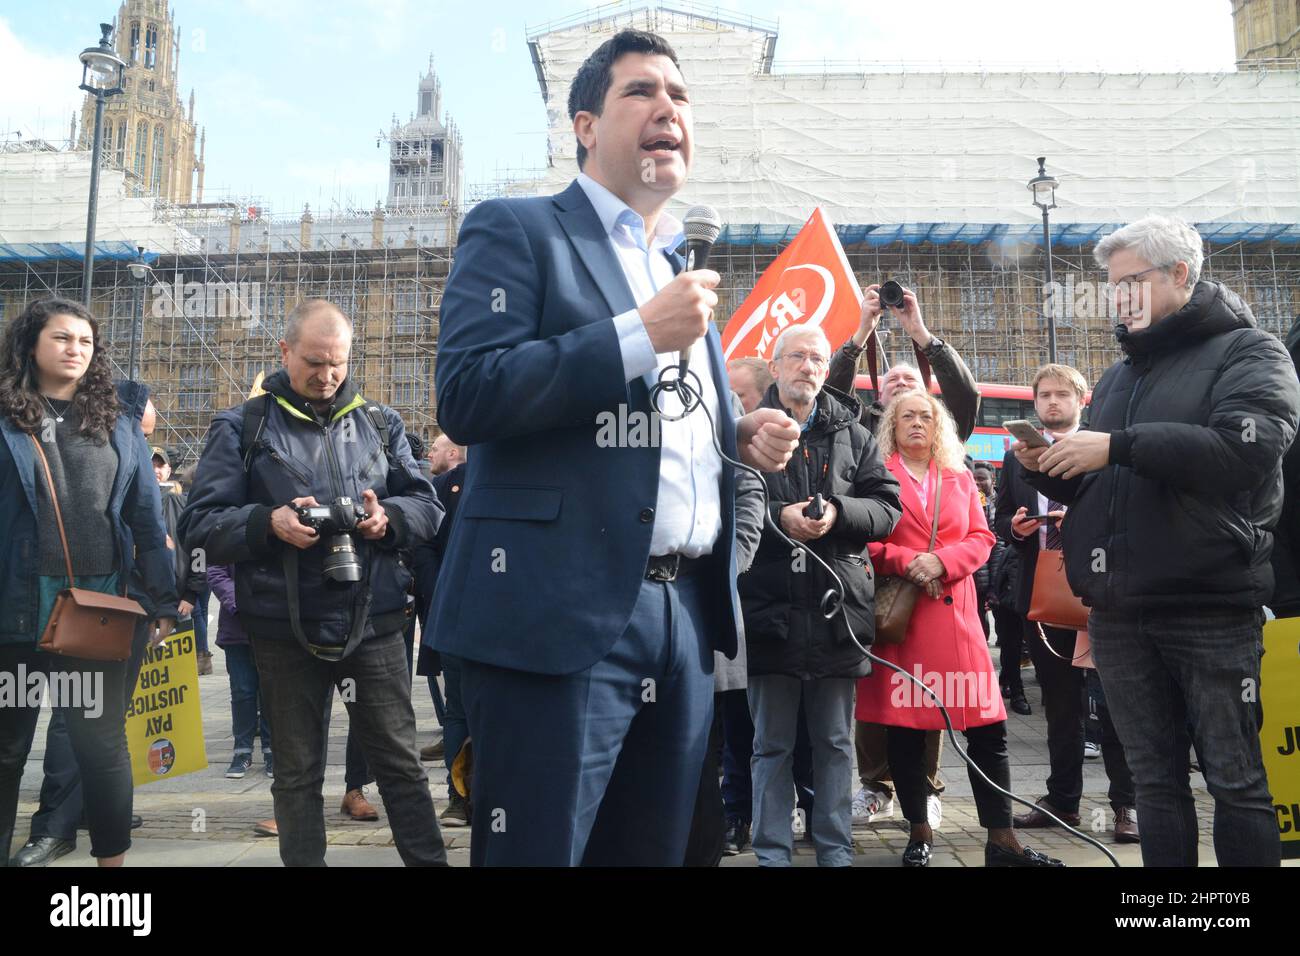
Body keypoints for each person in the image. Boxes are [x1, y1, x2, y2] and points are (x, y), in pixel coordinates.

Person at [430, 28, 797, 866]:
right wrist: (639, 332)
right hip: (557, 612)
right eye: (642, 92)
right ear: (586, 125)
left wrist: (730, 435)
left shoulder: (678, 264)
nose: (668, 106)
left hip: (688, 617)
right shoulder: (518, 232)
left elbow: (643, 426)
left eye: (680, 95)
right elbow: (469, 392)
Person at [1017, 216, 1300, 867]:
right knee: (1155, 788)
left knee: (1236, 782)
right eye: (1111, 285)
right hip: (1118, 612)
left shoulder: (1251, 352)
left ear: (1179, 274)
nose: (1117, 297)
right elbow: (1108, 489)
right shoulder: (1120, 376)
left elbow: (1243, 452)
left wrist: (1117, 445)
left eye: (1131, 282)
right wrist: (1054, 473)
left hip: (1211, 606)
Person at [180, 298, 447, 867]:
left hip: (372, 620)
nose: (326, 376)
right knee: (297, 774)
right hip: (283, 628)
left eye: (338, 363)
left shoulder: (380, 422)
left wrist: (388, 519)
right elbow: (199, 525)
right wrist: (267, 522)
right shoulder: (242, 425)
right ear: (284, 351)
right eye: (313, 362)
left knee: (400, 766)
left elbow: (427, 506)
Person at [0, 298, 178, 868]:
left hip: (99, 611)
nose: (75, 349)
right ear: (31, 344)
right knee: (6, 750)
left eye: (85, 341)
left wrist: (162, 604)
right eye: (61, 338)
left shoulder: (118, 422)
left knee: (100, 748)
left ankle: (112, 872)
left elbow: (147, 520)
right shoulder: (5, 417)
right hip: (16, 609)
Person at [857, 390, 1062, 867]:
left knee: (988, 729)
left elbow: (982, 537)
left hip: (957, 620)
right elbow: (864, 540)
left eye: (926, 416)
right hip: (905, 623)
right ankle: (919, 832)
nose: (916, 424)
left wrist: (941, 562)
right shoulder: (876, 475)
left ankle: (1002, 839)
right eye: (906, 416)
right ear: (893, 424)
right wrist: (912, 562)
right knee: (906, 733)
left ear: (938, 425)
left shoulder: (958, 477)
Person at [740, 325, 902, 867]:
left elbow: (887, 509)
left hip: (838, 617)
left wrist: (838, 512)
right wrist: (776, 520)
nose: (808, 366)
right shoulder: (745, 431)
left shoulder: (853, 432)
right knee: (771, 746)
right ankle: (771, 855)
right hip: (770, 611)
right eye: (797, 357)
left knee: (834, 744)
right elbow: (717, 508)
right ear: (776, 364)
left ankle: (835, 853)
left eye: (817, 357)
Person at [826, 285, 980, 828]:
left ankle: (926, 787)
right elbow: (834, 393)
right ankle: (876, 786)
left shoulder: (947, 451)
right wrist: (862, 332)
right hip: (877, 583)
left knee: (928, 691)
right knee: (879, 684)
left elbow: (964, 395)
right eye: (891, 390)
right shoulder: (863, 437)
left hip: (936, 592)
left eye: (914, 392)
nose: (903, 401)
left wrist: (920, 333)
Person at [997, 364, 1136, 843]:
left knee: (1116, 704)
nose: (1051, 403)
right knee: (1061, 706)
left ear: (1082, 399)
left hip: (1100, 589)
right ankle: (1062, 801)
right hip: (1045, 592)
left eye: (1061, 394)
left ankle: (1128, 805)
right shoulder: (1016, 458)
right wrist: (1014, 530)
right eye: (1044, 396)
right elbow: (999, 522)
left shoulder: (1100, 447)